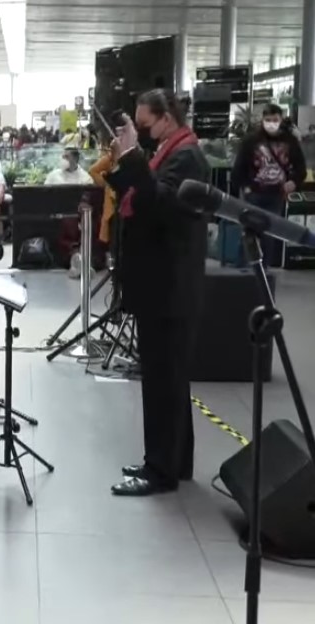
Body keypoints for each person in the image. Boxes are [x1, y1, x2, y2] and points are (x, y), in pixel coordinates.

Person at [105, 88, 210, 496]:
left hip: (170, 286)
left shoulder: (187, 156)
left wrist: (133, 157)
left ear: (165, 117)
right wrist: (125, 160)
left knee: (164, 381)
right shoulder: (170, 150)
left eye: (143, 124)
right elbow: (142, 193)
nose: (141, 131)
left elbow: (160, 202)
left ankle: (160, 469)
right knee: (169, 379)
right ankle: (176, 460)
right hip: (163, 285)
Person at [231, 103, 308, 267]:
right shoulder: (252, 140)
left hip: (276, 195)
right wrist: (246, 187)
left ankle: (263, 272)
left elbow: (300, 167)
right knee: (249, 233)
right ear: (262, 120)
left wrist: (293, 182)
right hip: (253, 194)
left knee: (269, 235)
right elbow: (239, 167)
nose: (271, 123)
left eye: (275, 120)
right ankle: (242, 272)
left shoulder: (290, 141)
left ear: (281, 120)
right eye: (268, 120)